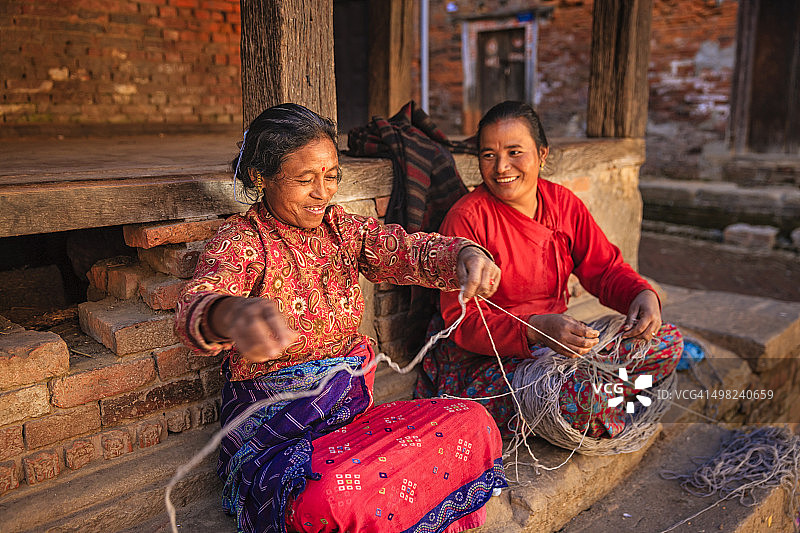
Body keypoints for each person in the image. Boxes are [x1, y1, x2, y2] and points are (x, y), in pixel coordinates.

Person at [175, 103, 507, 533]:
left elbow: (406, 249)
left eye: (331, 176)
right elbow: (196, 302)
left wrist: (464, 253)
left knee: (473, 424)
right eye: (304, 180)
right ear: (261, 178)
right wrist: (230, 313)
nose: (322, 193)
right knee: (331, 496)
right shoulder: (242, 241)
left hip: (352, 427)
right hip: (284, 446)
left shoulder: (343, 231)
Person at [415, 101, 683, 439]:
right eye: (488, 155)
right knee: (578, 400)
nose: (501, 167)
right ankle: (608, 401)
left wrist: (641, 294)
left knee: (667, 340)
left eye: (515, 152)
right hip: (487, 362)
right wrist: (534, 329)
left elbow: (604, 269)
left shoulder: (563, 204)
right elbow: (462, 322)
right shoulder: (467, 218)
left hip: (557, 347)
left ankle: (603, 401)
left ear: (542, 154)